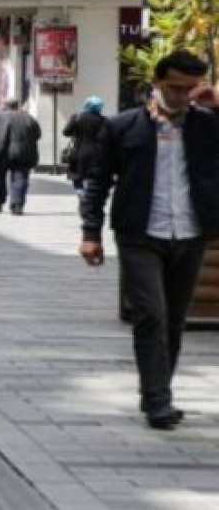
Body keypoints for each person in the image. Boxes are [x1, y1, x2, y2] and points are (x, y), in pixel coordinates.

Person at [79, 51, 219, 430]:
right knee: (151, 316)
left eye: (191, 89)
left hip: (190, 234)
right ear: (156, 82)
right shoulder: (124, 126)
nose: (183, 95)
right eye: (175, 87)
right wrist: (90, 233)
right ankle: (157, 400)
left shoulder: (207, 126)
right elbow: (97, 181)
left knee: (173, 321)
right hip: (140, 233)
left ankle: (159, 392)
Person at [0, 98, 42, 215]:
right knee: (20, 177)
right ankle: (17, 204)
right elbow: (37, 134)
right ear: (17, 106)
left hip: (0, 151)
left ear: (4, 105)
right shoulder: (28, 118)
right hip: (22, 152)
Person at [63, 96, 107, 197]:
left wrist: (72, 120)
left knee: (77, 177)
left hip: (79, 153)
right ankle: (88, 195)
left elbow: (66, 132)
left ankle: (81, 195)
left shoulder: (78, 118)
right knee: (92, 178)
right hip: (97, 154)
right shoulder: (104, 121)